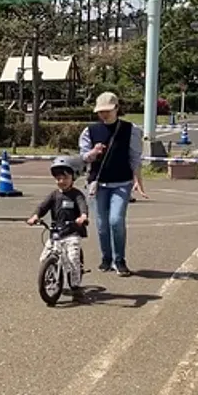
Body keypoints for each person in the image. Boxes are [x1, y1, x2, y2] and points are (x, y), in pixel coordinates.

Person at [78, 92, 147, 276]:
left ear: (117, 108)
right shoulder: (90, 131)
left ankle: (120, 260)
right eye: (100, 112)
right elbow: (84, 157)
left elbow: (135, 157)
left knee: (116, 220)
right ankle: (106, 258)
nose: (104, 115)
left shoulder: (129, 129)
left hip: (121, 182)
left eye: (107, 111)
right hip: (98, 183)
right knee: (101, 224)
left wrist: (137, 181)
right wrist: (93, 152)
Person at [27, 156, 90, 303]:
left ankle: (75, 287)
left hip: (72, 232)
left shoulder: (76, 195)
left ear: (73, 177)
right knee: (44, 258)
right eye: (58, 179)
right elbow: (43, 206)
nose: (61, 181)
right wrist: (35, 216)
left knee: (73, 258)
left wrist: (83, 216)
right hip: (56, 232)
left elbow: (82, 206)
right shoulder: (54, 195)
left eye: (65, 178)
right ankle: (50, 276)